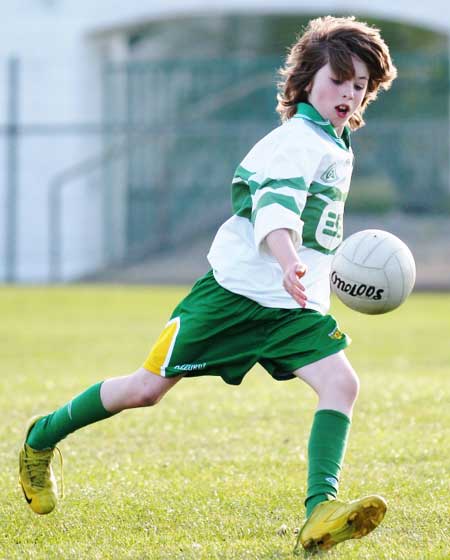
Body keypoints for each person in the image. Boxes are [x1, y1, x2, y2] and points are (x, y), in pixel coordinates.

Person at [19, 15, 397, 553]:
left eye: (360, 85)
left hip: (293, 311)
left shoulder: (335, 144)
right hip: (232, 299)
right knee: (144, 391)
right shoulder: (295, 141)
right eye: (338, 79)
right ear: (307, 78)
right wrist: (290, 260)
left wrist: (321, 274)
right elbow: (275, 208)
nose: (348, 93)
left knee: (343, 384)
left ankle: (319, 512)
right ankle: (41, 437)